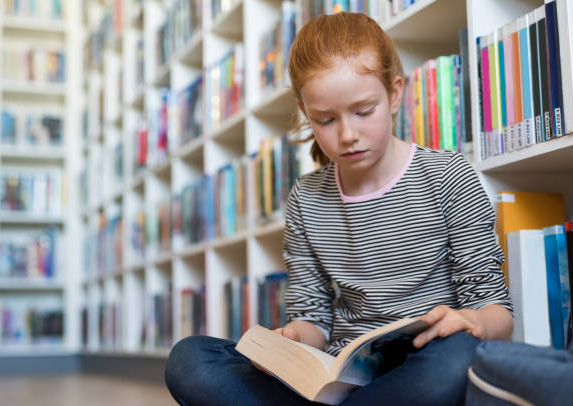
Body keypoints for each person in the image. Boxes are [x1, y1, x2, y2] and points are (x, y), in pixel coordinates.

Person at [165, 12, 513, 406]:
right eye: (326, 120)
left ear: (394, 92)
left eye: (364, 111)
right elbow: (312, 317)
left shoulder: (447, 175)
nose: (347, 135)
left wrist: (474, 321)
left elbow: (496, 312)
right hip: (346, 374)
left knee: (460, 358)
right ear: (305, 112)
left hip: (427, 359)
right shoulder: (306, 198)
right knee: (190, 360)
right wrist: (291, 341)